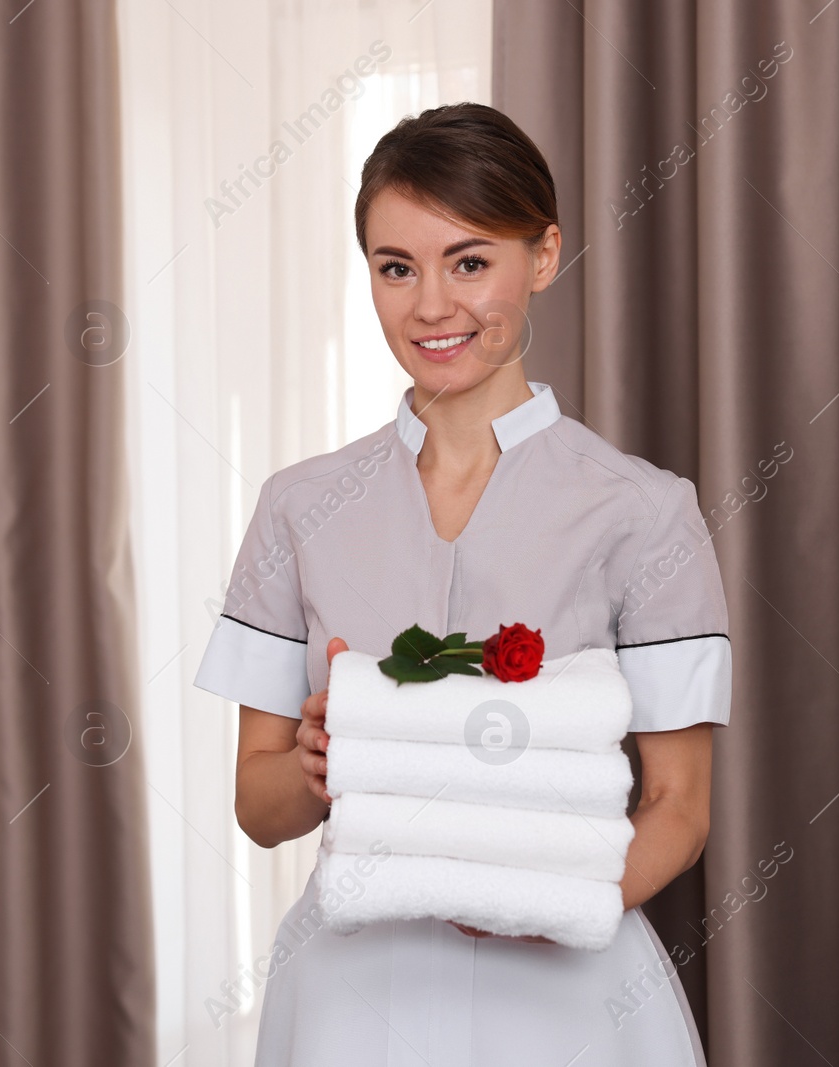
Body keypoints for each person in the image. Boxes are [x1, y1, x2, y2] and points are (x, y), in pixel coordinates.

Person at [192, 102, 730, 1066]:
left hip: (569, 1002)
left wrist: (554, 907)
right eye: (397, 267)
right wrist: (317, 762)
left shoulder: (644, 511)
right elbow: (257, 805)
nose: (431, 306)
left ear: (546, 254)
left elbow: (679, 808)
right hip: (350, 999)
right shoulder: (298, 507)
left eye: (470, 261)